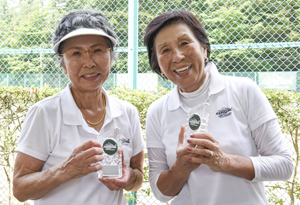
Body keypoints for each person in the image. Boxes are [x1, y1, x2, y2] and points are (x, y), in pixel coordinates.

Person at [144, 9, 293, 205]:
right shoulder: (157, 111)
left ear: (204, 48)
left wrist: (225, 161)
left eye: (184, 43)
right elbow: (161, 193)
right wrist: (181, 167)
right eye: (165, 50)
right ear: (158, 65)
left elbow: (283, 165)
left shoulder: (243, 90)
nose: (178, 56)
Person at [13, 10, 145, 205]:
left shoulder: (127, 112)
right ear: (63, 65)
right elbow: (20, 189)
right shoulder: (45, 113)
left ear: (111, 57)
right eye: (76, 53)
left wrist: (129, 179)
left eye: (98, 50)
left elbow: (137, 178)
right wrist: (66, 170)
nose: (89, 63)